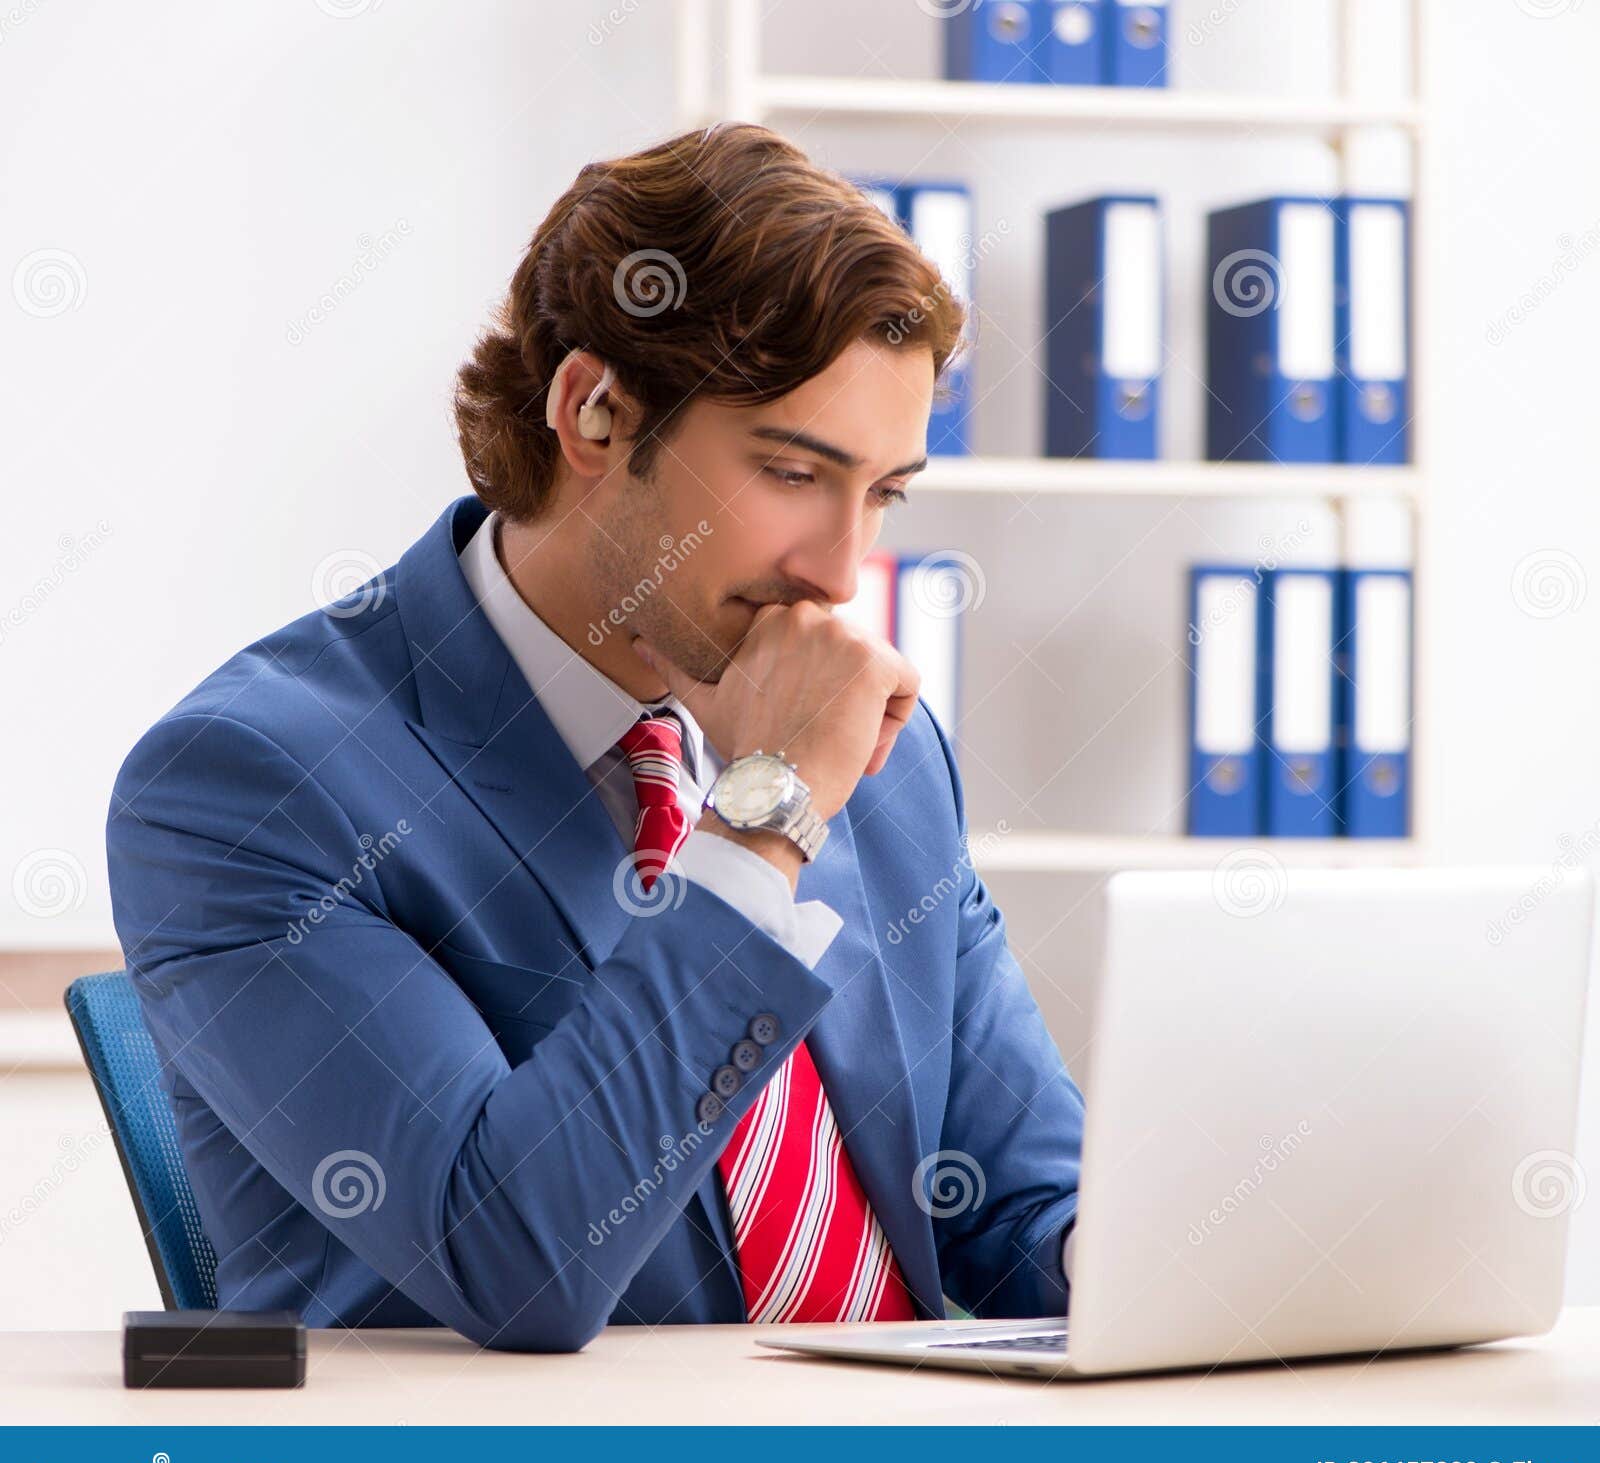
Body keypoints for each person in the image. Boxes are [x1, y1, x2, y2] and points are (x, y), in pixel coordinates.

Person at [107, 122, 1084, 1351]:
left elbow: (1016, 1196)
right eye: (792, 472)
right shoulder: (245, 787)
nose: (842, 573)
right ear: (595, 411)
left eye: (882, 494)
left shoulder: (882, 753)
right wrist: (761, 818)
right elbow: (515, 1259)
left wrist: (1139, 1252)